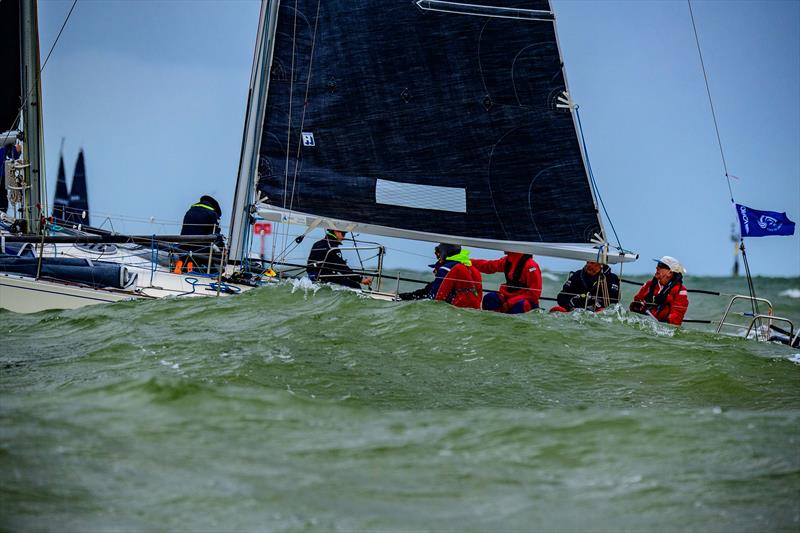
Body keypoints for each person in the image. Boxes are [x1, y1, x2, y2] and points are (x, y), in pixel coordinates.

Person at [399, 243, 482, 309]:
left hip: (458, 307)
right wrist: (404, 296)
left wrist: (407, 301)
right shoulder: (470, 267)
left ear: (445, 252)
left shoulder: (446, 268)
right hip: (474, 307)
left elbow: (434, 296)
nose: (434, 271)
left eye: (439, 253)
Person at [471, 251, 541, 313]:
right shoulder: (506, 261)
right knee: (490, 298)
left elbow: (534, 294)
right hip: (508, 298)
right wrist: (468, 261)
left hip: (524, 302)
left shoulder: (531, 265)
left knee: (521, 305)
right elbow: (488, 266)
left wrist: (510, 303)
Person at [629, 255, 689, 326]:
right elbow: (636, 301)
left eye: (661, 266)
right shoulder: (648, 284)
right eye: (658, 265)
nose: (657, 267)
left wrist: (662, 324)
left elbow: (677, 317)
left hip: (663, 328)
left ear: (670, 273)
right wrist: (636, 306)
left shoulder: (680, 291)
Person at [306, 229, 372, 289]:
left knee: (345, 279)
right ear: (336, 232)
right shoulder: (332, 248)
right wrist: (360, 279)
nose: (343, 237)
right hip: (322, 277)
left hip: (312, 276)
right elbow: (341, 267)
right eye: (343, 234)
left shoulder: (317, 243)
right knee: (355, 286)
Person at [176, 195, 223, 272]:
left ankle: (181, 263)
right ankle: (192, 266)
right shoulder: (213, 214)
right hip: (201, 251)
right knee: (216, 269)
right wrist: (221, 248)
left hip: (183, 248)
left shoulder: (189, 211)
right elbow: (215, 236)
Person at [551, 260, 620, 312]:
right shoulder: (577, 275)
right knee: (556, 310)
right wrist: (571, 308)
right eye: (587, 262)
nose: (588, 265)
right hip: (575, 309)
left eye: (592, 263)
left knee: (602, 311)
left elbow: (613, 302)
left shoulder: (612, 278)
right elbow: (562, 296)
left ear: (601, 265)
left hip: (598, 310)